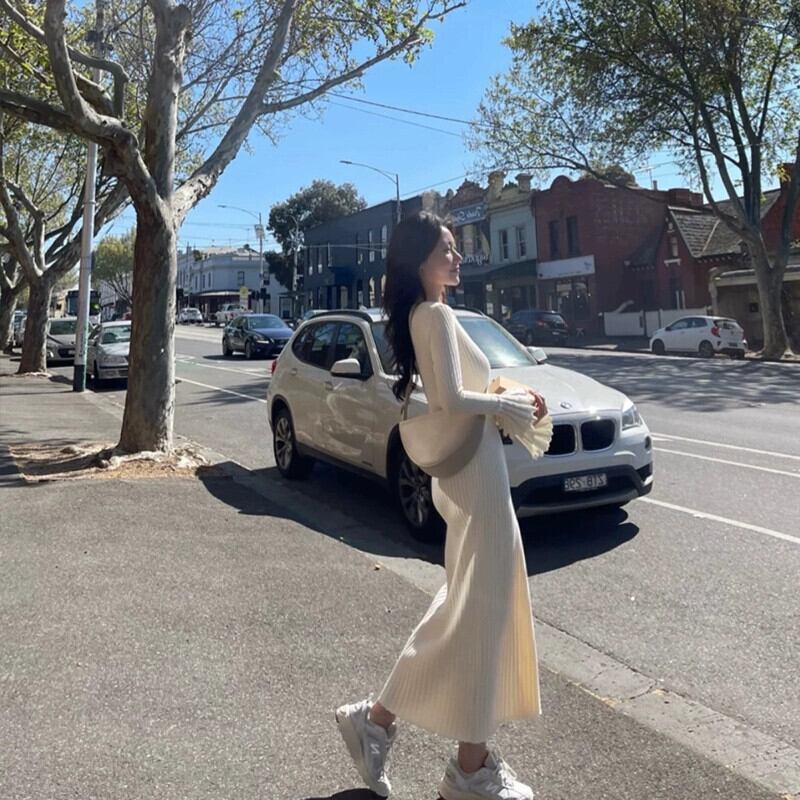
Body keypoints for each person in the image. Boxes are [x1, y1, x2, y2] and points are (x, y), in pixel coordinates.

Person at [335, 212, 547, 800]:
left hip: (471, 470)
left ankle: (379, 722)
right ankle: (468, 771)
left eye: (455, 248)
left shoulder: (424, 314)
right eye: (446, 250)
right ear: (419, 260)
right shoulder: (435, 313)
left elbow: (457, 393)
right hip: (475, 475)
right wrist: (505, 407)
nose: (456, 257)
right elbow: (452, 398)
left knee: (467, 603)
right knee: (483, 606)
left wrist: (506, 397)